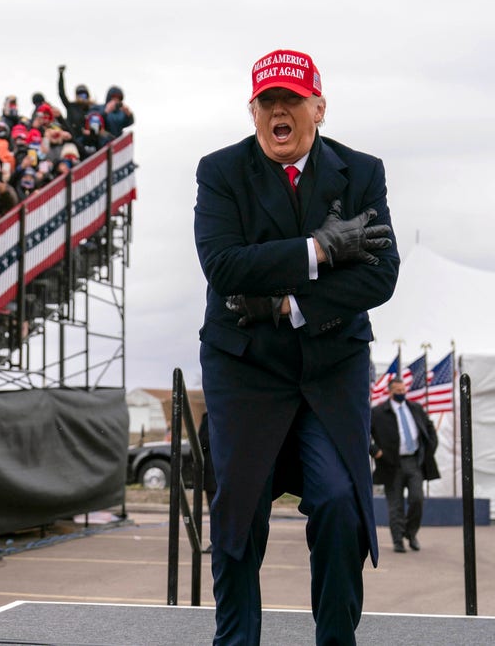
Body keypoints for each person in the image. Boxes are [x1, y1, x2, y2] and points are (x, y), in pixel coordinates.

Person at [193, 49, 398, 645]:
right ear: (253, 110)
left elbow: (380, 276)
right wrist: (321, 250)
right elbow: (223, 266)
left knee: (338, 504)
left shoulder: (362, 172)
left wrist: (287, 304)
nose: (279, 110)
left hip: (331, 368)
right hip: (245, 369)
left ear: (319, 107)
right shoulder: (220, 170)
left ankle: (336, 639)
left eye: (292, 98)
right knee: (240, 511)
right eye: (267, 101)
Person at [370, 378, 439, 553]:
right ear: (390, 392)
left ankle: (411, 533)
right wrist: (375, 451)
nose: (402, 393)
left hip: (414, 462)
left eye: (403, 390)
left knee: (417, 499)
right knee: (395, 505)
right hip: (390, 464)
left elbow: (429, 428)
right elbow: (362, 433)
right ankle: (398, 540)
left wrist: (430, 448)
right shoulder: (378, 413)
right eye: (398, 391)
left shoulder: (415, 408)